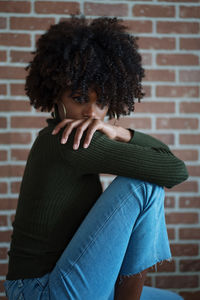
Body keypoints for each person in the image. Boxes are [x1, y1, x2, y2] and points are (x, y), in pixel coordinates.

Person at [4, 15, 188, 300]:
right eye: (79, 99)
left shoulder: (61, 137)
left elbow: (170, 164)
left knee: (173, 299)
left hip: (50, 283)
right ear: (56, 96)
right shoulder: (70, 141)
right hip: (40, 291)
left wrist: (118, 132)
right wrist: (117, 133)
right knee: (144, 185)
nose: (92, 113)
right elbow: (175, 170)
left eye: (100, 102)